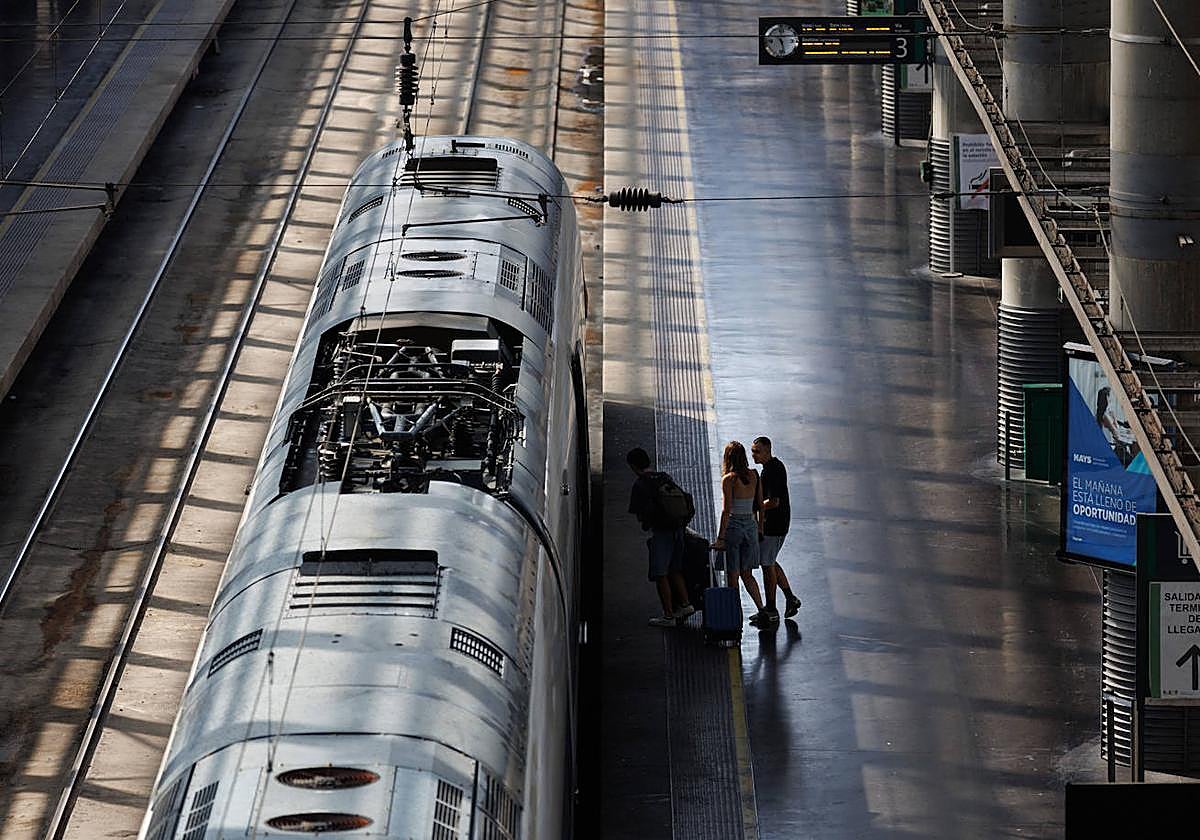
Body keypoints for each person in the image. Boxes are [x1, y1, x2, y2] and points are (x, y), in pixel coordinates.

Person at [626, 447, 696, 627]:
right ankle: (685, 604)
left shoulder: (640, 484)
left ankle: (668, 615)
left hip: (661, 532)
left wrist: (647, 522)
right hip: (679, 529)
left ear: (633, 466)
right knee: (675, 569)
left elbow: (639, 513)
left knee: (660, 573)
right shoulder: (664, 476)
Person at [712, 440, 768, 626]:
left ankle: (734, 616)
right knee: (747, 574)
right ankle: (762, 609)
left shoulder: (729, 479)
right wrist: (759, 528)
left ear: (727, 458)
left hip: (734, 529)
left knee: (733, 575)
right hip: (751, 529)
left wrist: (720, 538)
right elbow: (760, 505)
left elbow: (727, 510)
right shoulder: (754, 475)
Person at [751, 436, 802, 623]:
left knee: (767, 564)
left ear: (767, 450)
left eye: (757, 451)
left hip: (775, 524)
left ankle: (771, 608)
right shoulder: (772, 468)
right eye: (752, 451)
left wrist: (755, 507)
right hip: (777, 523)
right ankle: (789, 598)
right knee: (770, 561)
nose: (753, 455)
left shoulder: (772, 471)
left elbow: (773, 502)